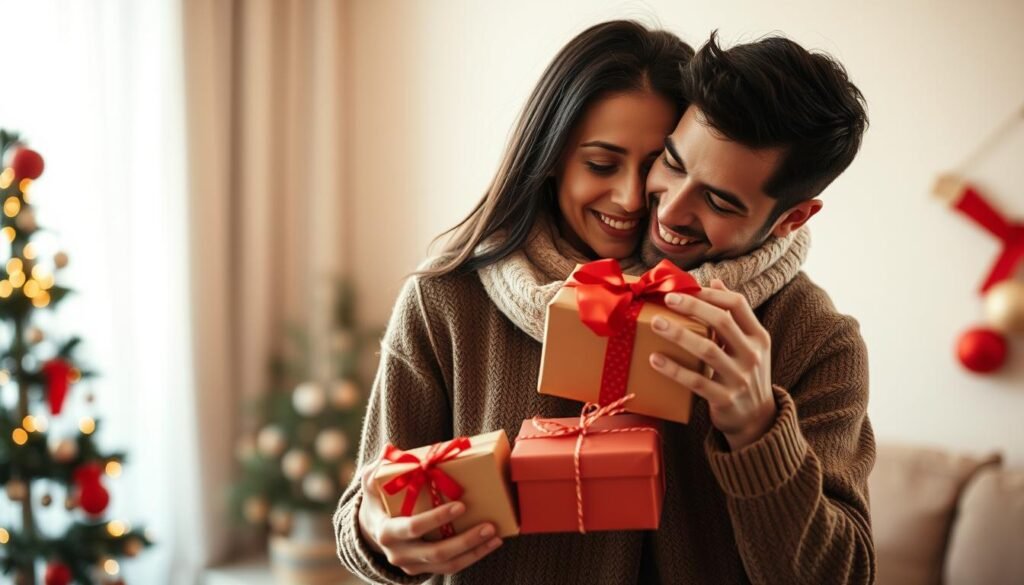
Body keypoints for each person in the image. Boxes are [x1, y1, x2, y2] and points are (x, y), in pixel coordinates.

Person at [334, 20, 694, 583]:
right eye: (601, 164)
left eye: (655, 167)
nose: (629, 197)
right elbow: (370, 501)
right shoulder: (445, 299)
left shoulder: (742, 316)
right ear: (549, 157)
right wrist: (377, 532)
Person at [637, 33, 874, 583]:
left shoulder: (820, 341)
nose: (670, 210)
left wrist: (759, 432)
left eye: (719, 200)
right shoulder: (525, 274)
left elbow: (845, 575)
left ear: (794, 218)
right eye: (671, 163)